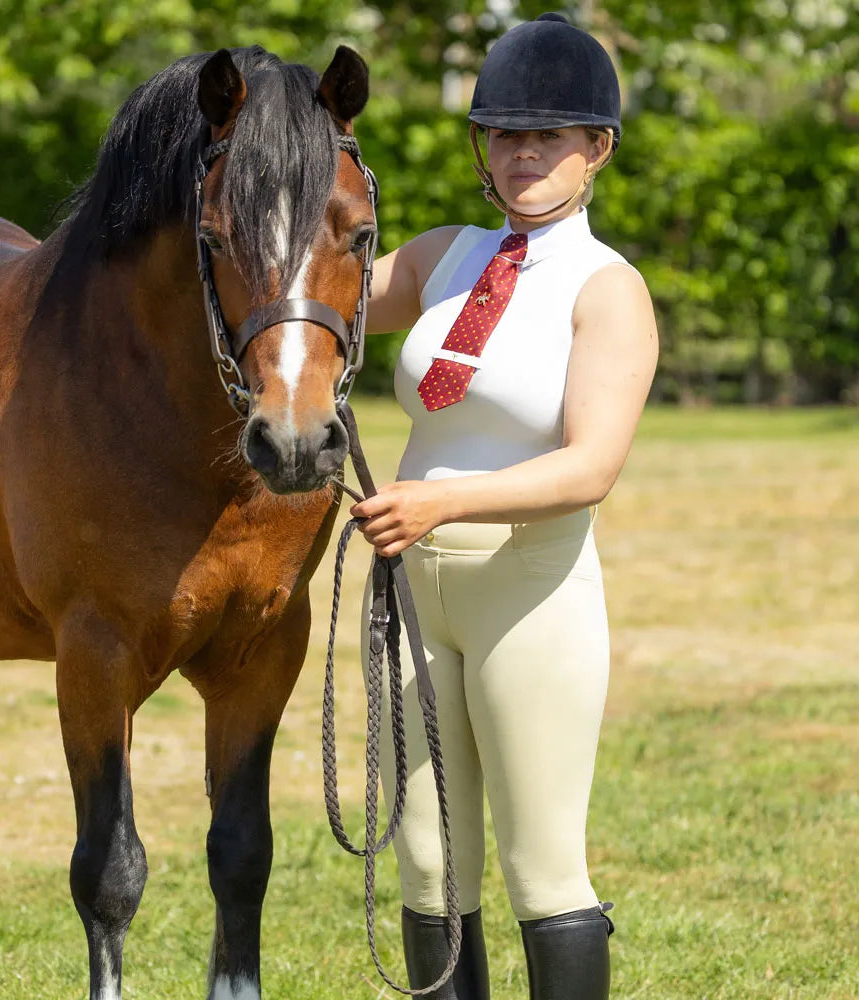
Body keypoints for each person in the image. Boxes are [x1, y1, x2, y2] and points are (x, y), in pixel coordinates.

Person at [353, 12, 658, 1000]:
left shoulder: (607, 291)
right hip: (412, 590)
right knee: (428, 862)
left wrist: (442, 506)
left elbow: (589, 467)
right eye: (503, 133)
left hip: (528, 590)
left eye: (548, 135)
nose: (522, 152)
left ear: (595, 149)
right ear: (481, 146)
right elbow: (319, 302)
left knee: (540, 864)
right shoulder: (444, 254)